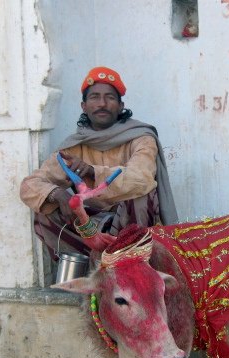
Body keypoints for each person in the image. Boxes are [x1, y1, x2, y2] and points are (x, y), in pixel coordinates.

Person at [20, 66, 178, 265]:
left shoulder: (141, 138)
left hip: (131, 225)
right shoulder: (72, 148)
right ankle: (94, 263)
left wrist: (93, 172)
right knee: (45, 206)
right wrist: (58, 194)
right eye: (94, 97)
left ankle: (133, 264)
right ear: (84, 106)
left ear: (121, 106)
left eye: (110, 98)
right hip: (91, 229)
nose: (102, 103)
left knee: (142, 195)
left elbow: (142, 178)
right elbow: (30, 185)